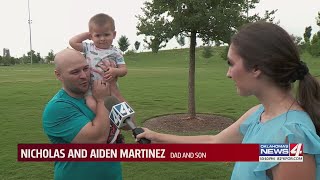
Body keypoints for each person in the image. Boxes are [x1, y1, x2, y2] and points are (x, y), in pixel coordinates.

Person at [136, 22, 320, 180]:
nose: (228, 73)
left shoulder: (290, 136)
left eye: (231, 63)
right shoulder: (259, 114)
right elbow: (214, 142)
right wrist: (157, 136)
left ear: (256, 68)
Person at [42, 48, 124, 180]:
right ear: (58, 75)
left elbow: (128, 122)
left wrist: (113, 86)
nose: (84, 75)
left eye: (86, 68)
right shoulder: (58, 107)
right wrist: (102, 100)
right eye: (75, 72)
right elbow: (97, 140)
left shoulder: (98, 92)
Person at [69, 13, 128, 144]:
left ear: (114, 34)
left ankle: (115, 128)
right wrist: (89, 33)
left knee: (120, 108)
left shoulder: (116, 52)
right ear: (91, 36)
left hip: (110, 87)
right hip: (91, 86)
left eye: (106, 34)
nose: (102, 39)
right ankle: (105, 127)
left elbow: (124, 70)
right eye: (97, 35)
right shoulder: (89, 47)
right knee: (91, 104)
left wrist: (115, 71)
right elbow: (72, 42)